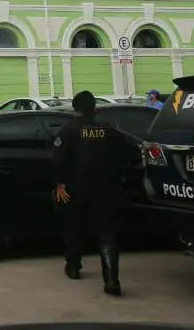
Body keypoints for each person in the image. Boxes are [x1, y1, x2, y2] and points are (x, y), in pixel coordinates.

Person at [53, 90, 137, 296]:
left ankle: (73, 268)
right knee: (107, 234)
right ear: (95, 108)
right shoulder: (108, 129)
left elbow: (59, 159)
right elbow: (128, 152)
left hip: (76, 188)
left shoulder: (68, 130)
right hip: (105, 188)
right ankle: (111, 280)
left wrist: (60, 183)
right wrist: (118, 175)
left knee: (74, 227)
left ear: (75, 108)